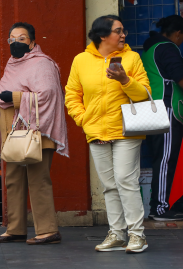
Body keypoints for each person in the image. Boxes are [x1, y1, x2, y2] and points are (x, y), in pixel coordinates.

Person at [65, 15, 150, 253]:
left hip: (126, 130)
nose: (123, 35)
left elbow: (144, 93)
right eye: (118, 31)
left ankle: (137, 235)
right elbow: (72, 94)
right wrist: (84, 120)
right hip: (95, 130)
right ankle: (117, 234)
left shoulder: (132, 58)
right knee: (109, 185)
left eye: (123, 31)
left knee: (126, 181)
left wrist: (125, 80)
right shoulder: (81, 60)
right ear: (103, 35)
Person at [0, 22, 68, 245]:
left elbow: (48, 95)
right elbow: (2, 91)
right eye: (12, 39)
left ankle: (48, 230)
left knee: (38, 179)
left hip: (39, 131)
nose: (16, 42)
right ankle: (15, 229)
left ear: (33, 42)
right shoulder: (12, 63)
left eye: (22, 38)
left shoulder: (42, 64)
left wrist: (15, 98)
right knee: (13, 179)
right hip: (14, 132)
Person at [141, 15, 183, 221]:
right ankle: (159, 207)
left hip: (154, 108)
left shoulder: (150, 47)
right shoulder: (167, 48)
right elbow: (180, 77)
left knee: (163, 158)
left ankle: (167, 204)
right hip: (166, 109)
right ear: (177, 34)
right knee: (166, 159)